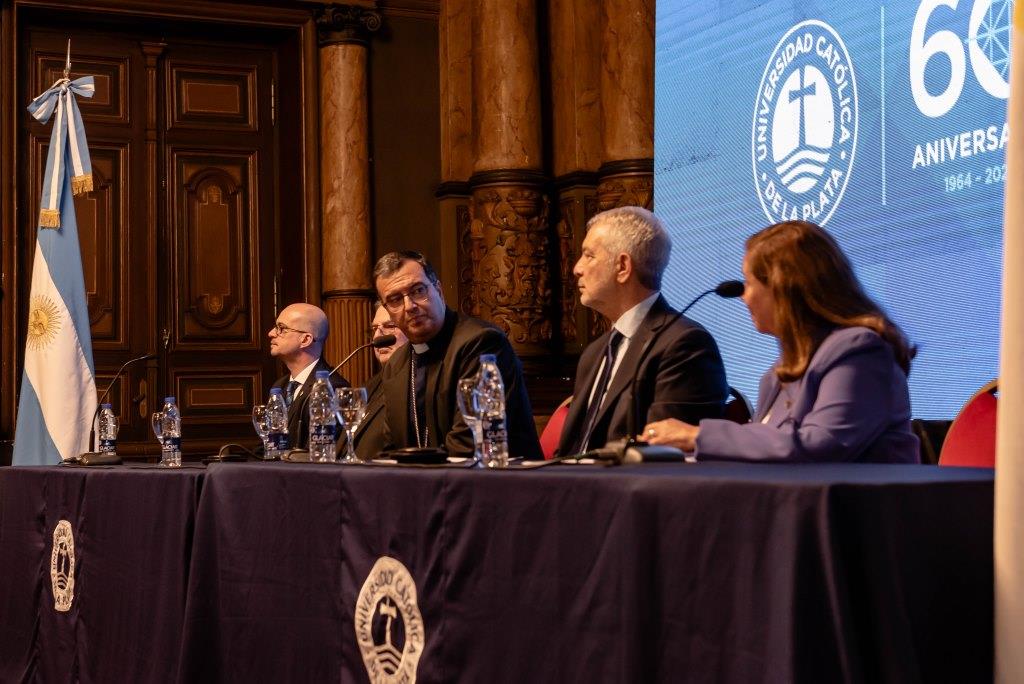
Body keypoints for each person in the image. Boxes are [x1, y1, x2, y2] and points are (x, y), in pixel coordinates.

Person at [643, 220, 920, 463]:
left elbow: (821, 445)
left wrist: (698, 436)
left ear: (783, 288)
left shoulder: (860, 352)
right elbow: (765, 448)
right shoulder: (778, 373)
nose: (744, 297)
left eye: (748, 283)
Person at [557, 206, 729, 456]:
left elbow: (663, 455)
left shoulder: (684, 344)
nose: (577, 268)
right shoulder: (594, 353)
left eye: (589, 255)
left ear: (623, 266)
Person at [374, 251, 542, 459]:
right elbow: (391, 448)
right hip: (426, 477)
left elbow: (470, 443)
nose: (409, 307)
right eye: (395, 300)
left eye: (418, 291)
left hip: (494, 476)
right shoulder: (395, 365)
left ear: (439, 290)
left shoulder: (482, 343)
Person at [268, 303, 349, 449]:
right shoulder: (280, 386)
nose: (271, 333)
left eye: (281, 328)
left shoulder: (331, 388)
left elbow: (321, 450)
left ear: (305, 339)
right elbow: (269, 445)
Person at [344, 303, 408, 460]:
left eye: (390, 326)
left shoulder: (416, 384)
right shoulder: (368, 386)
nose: (377, 337)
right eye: (374, 329)